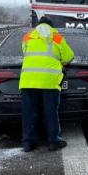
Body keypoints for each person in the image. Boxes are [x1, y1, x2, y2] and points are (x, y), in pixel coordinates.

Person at [19, 16, 75, 152]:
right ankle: (53, 141)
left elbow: (25, 52)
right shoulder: (56, 37)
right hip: (49, 81)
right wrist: (60, 62)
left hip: (28, 80)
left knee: (29, 112)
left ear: (38, 25)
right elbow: (69, 56)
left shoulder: (27, 37)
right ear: (51, 26)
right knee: (50, 111)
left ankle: (28, 143)